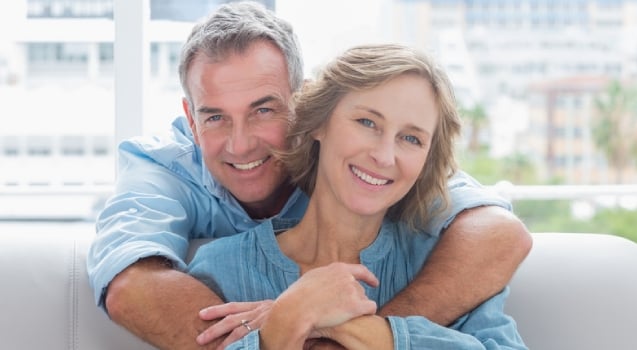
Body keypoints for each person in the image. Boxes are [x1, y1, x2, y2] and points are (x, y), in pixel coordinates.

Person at [87, 2, 531, 349]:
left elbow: (499, 233)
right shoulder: (208, 244)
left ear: (302, 108)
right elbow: (130, 285)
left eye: (263, 110)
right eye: (216, 117)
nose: (241, 145)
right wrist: (277, 330)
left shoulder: (432, 255)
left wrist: (379, 335)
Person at [188, 42, 526, 349]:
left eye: (411, 139)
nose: (384, 156)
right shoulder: (221, 268)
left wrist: (372, 333)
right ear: (318, 122)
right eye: (367, 122)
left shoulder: (445, 265)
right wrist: (285, 321)